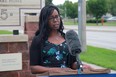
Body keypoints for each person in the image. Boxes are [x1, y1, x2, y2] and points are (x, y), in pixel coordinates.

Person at [29, 4, 110, 75]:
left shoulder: (67, 38)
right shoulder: (38, 40)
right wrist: (55, 70)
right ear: (45, 20)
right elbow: (33, 68)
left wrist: (81, 65)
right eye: (51, 18)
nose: (55, 20)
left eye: (57, 16)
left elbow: (72, 64)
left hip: (68, 75)